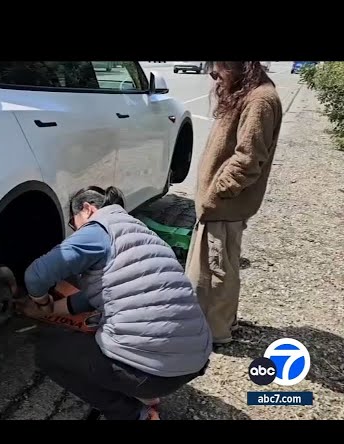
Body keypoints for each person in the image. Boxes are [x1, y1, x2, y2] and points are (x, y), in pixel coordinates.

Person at [15, 186, 213, 420]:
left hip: (155, 372)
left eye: (73, 223)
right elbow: (97, 295)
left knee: (48, 352)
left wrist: (42, 300)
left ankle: (131, 413)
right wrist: (46, 311)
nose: (75, 230)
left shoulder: (98, 229)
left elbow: (36, 275)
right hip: (195, 360)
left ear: (88, 209)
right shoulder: (141, 233)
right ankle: (145, 390)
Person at [186, 61, 283, 346]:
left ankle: (216, 333)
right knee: (206, 270)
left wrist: (217, 193)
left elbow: (248, 159)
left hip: (224, 206)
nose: (214, 75)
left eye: (219, 69)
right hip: (218, 206)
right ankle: (209, 324)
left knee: (218, 274)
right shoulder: (244, 92)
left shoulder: (260, 99)